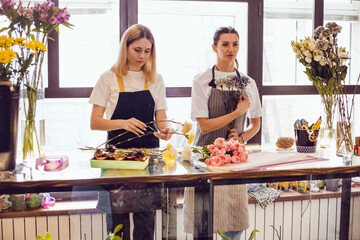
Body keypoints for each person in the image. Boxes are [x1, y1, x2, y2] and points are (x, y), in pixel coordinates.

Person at [89, 24, 172, 239]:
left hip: (148, 162)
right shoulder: (108, 78)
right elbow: (95, 122)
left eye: (147, 51)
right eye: (137, 50)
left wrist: (166, 130)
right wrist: (122, 123)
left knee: (146, 226)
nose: (143, 56)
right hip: (116, 161)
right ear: (124, 48)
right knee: (117, 227)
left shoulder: (156, 79)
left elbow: (161, 119)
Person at [183, 26, 262, 240]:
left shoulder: (247, 83)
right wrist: (237, 112)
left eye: (235, 44)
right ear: (214, 47)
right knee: (203, 227)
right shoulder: (201, 81)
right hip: (204, 160)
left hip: (234, 160)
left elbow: (255, 124)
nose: (231, 49)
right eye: (225, 44)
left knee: (234, 226)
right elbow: (205, 126)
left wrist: (242, 137)